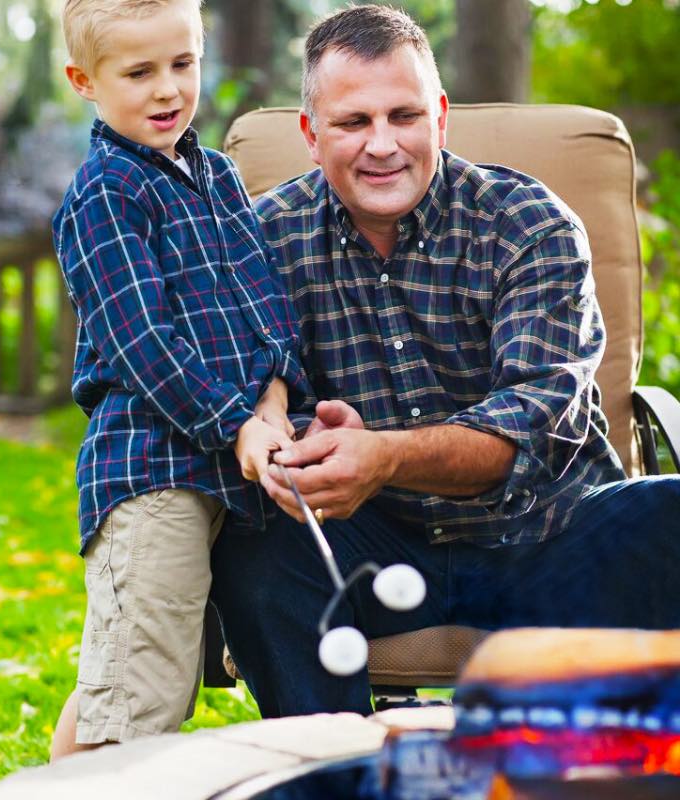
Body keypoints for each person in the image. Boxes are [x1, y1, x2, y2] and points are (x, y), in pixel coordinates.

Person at [210, 4, 680, 719]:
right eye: (353, 122)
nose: (382, 145)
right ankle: (331, 763)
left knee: (668, 512)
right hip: (375, 546)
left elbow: (530, 423)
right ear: (312, 135)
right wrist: (301, 442)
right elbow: (249, 382)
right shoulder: (263, 237)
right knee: (255, 544)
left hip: (548, 537)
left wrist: (384, 454)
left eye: (404, 115)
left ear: (440, 117)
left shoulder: (529, 223)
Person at [50, 0, 309, 759]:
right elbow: (143, 345)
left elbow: (270, 304)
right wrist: (239, 423)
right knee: (137, 698)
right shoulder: (105, 194)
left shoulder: (218, 177)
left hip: (234, 467)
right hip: (154, 474)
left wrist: (275, 400)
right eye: (139, 73)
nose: (167, 90)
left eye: (182, 64)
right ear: (84, 81)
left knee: (129, 668)